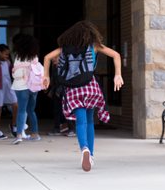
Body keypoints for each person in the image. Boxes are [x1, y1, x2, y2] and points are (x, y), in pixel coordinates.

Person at [43, 20, 123, 172]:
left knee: (80, 121)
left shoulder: (65, 48)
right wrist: (117, 74)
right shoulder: (94, 46)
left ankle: (84, 149)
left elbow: (47, 57)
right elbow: (116, 55)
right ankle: (91, 155)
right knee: (90, 122)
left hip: (73, 89)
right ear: (91, 33)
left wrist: (46, 76)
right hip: (90, 86)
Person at [11, 34, 40, 144]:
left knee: (21, 111)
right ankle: (35, 134)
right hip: (33, 87)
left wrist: (14, 73)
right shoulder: (35, 57)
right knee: (31, 111)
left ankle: (18, 135)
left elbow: (17, 74)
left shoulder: (19, 57)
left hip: (22, 86)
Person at [46, 55, 75, 137]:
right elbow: (55, 82)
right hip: (56, 92)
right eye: (53, 58)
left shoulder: (63, 67)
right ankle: (56, 129)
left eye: (56, 57)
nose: (54, 59)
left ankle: (71, 129)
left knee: (66, 110)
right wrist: (52, 91)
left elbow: (65, 81)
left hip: (65, 92)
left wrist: (59, 91)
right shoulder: (54, 67)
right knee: (56, 111)